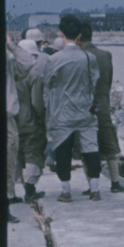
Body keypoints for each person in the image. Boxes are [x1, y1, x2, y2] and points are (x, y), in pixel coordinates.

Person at [42, 15, 102, 203]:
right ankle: (95, 189)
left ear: (61, 33)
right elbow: (95, 80)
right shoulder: (89, 57)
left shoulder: (55, 59)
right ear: (79, 34)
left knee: (63, 152)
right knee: (91, 150)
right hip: (86, 112)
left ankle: (66, 191)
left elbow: (48, 83)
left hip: (62, 113)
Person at [78, 22, 124, 193]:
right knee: (110, 145)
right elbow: (108, 81)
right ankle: (115, 183)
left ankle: (92, 186)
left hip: (83, 109)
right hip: (103, 106)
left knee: (86, 148)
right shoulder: (106, 55)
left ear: (77, 38)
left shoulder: (79, 56)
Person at [13, 39, 47, 202]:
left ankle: (11, 191)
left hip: (13, 119)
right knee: (33, 152)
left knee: (16, 154)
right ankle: (30, 190)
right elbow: (37, 102)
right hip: (30, 119)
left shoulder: (11, 72)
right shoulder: (34, 74)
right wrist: (43, 118)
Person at [5, 33, 21, 222]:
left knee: (9, 159)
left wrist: (11, 46)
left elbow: (26, 62)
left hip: (7, 116)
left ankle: (9, 194)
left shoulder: (9, 59)